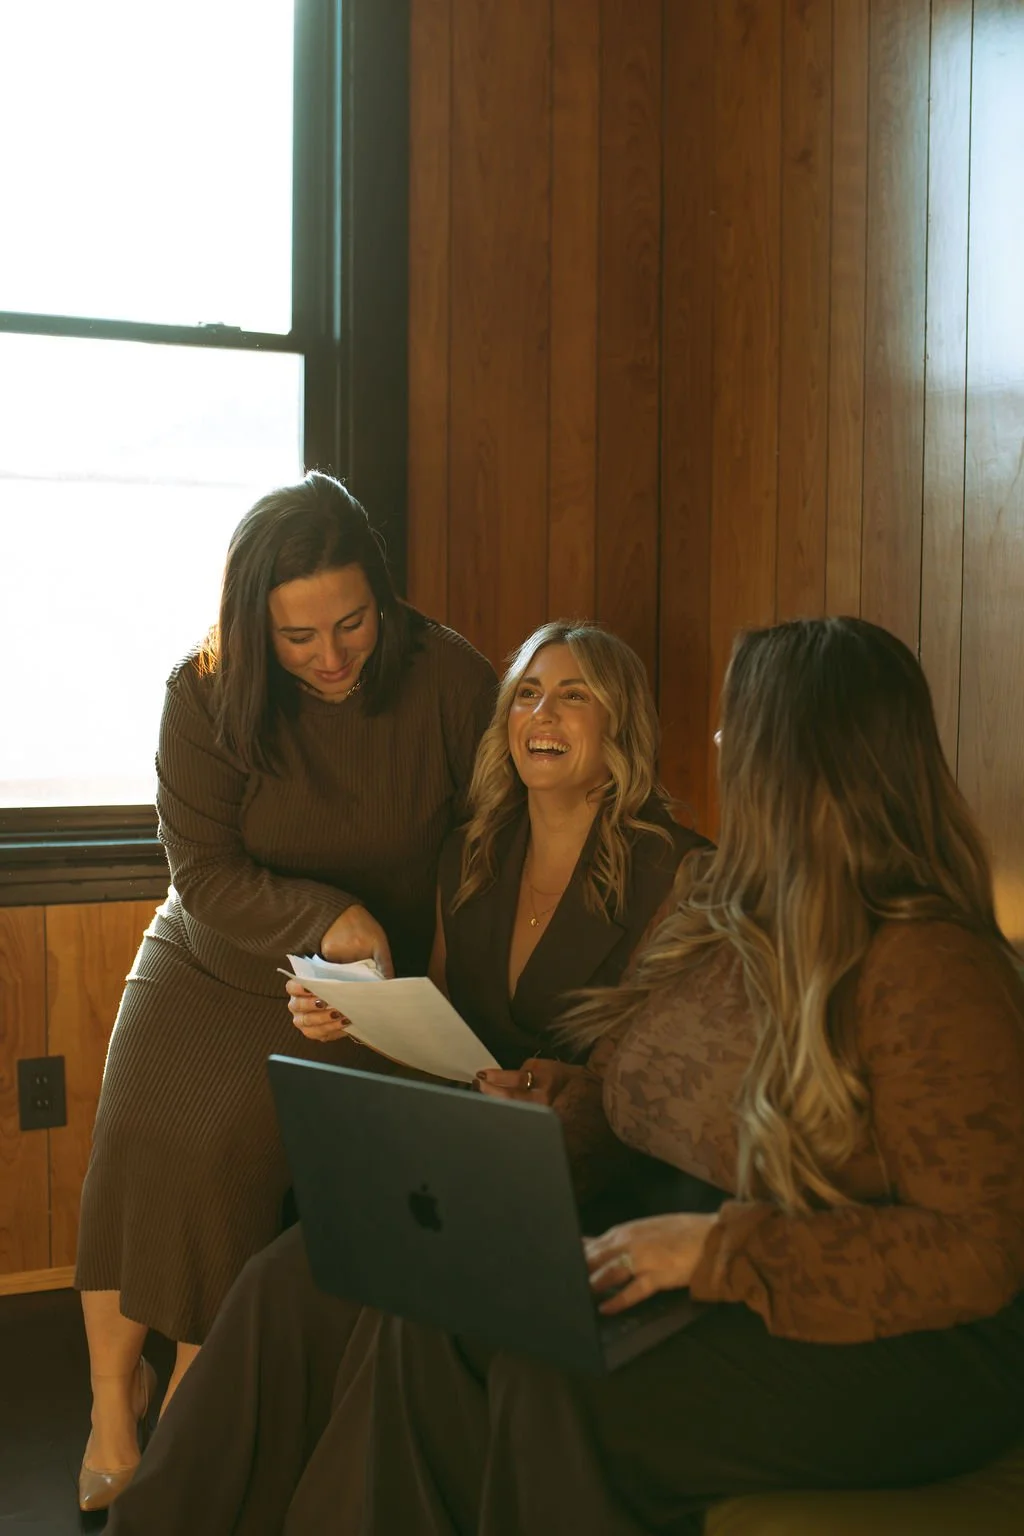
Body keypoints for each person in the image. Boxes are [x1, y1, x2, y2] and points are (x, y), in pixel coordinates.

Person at [358, 616, 1024, 1536]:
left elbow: (977, 1257)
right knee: (437, 1318)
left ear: (801, 756)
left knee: (555, 1384)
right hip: (750, 1253)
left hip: (924, 1351)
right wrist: (580, 1101)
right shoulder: (747, 909)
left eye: (737, 727)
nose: (716, 743)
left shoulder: (933, 967)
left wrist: (718, 1252)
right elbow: (683, 1087)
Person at [106, 619, 710, 1535]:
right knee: (282, 1279)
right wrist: (354, 1012)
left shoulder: (679, 870)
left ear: (619, 728)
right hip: (459, 1153)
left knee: (404, 1309)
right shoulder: (474, 849)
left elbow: (675, 1067)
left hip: (585, 1180)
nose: (543, 714)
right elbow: (433, 1012)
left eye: (575, 695)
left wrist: (571, 1091)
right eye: (528, 694)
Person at [73, 471, 497, 1512]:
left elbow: (486, 849)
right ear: (255, 629)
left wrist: (382, 967)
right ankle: (108, 1408)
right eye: (299, 639)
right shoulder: (204, 690)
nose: (333, 657)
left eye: (351, 623)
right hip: (215, 954)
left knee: (231, 1158)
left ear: (383, 598)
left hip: (368, 978)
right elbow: (203, 873)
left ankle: (193, 1410)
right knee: (147, 1132)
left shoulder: (450, 680)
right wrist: (322, 921)